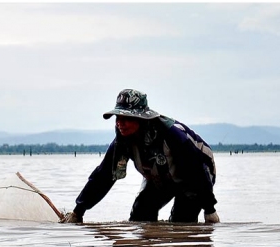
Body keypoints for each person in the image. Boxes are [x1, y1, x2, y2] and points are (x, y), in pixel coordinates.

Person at [66, 89, 219, 224]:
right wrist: (78, 211)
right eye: (118, 118)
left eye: (126, 118)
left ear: (141, 119)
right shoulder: (122, 142)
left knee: (182, 222)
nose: (120, 123)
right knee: (140, 215)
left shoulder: (172, 136)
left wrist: (209, 209)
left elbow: (197, 170)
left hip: (195, 175)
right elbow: (103, 177)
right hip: (159, 177)